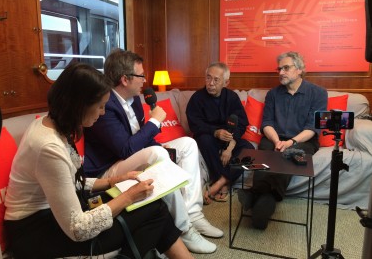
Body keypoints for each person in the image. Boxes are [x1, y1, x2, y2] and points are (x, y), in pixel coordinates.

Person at [4, 63, 193, 259]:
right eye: (100, 106)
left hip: (57, 212)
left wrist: (115, 180)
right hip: (34, 230)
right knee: (155, 212)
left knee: (154, 206)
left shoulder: (53, 124)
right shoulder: (48, 147)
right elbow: (79, 229)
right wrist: (128, 196)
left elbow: (68, 182)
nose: (103, 112)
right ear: (80, 105)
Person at [83, 49, 222, 254]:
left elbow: (141, 138)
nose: (144, 80)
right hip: (109, 168)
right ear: (125, 79)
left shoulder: (136, 99)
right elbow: (125, 149)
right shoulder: (106, 105)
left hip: (132, 156)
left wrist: (157, 143)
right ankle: (183, 229)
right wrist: (155, 121)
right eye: (140, 75)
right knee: (157, 156)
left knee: (187, 144)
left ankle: (193, 214)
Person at [238, 51, 328, 230]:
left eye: (286, 68)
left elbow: (313, 127)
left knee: (290, 154)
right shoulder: (273, 94)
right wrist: (277, 140)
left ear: (300, 70)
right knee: (264, 154)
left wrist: (291, 142)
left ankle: (255, 195)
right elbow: (267, 123)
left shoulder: (318, 93)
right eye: (279, 68)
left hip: (303, 140)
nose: (280, 72)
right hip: (274, 137)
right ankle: (265, 203)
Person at [186, 62, 254, 204]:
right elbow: (194, 124)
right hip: (209, 137)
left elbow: (242, 123)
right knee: (204, 140)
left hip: (229, 138)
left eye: (216, 80)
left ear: (226, 82)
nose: (210, 83)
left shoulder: (232, 97)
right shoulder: (197, 98)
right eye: (208, 78)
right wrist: (215, 132)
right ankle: (223, 183)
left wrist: (231, 145)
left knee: (249, 149)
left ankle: (218, 183)